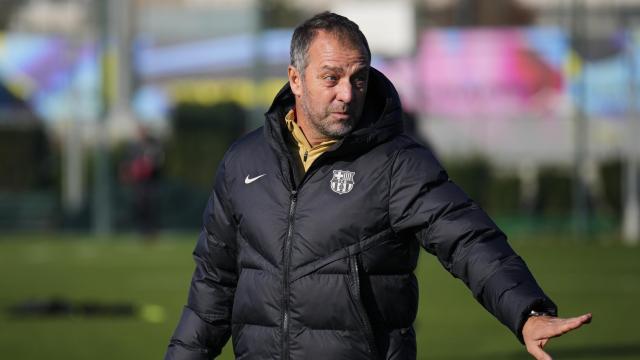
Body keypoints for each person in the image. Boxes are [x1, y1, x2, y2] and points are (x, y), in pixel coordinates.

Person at [165, 12, 591, 360]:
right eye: (331, 78)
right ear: (296, 79)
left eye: (359, 78)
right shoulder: (243, 162)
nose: (348, 94)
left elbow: (468, 240)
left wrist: (527, 312)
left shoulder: (398, 162)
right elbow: (214, 284)